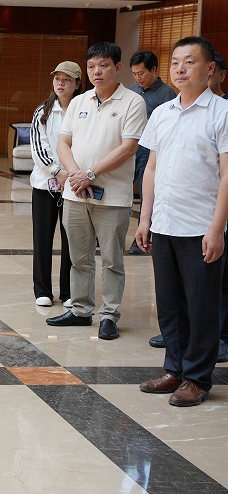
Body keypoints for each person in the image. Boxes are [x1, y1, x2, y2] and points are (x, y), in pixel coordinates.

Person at [135, 36, 228, 407]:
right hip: (164, 223)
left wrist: (217, 228)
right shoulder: (162, 113)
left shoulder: (221, 112)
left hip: (200, 227)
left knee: (201, 306)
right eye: (175, 62)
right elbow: (151, 168)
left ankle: (197, 378)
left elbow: (227, 175)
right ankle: (174, 368)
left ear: (210, 68)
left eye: (190, 61)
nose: (180, 68)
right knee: (170, 304)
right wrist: (144, 218)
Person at [46, 42, 146, 340]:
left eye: (103, 65)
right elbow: (63, 143)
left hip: (112, 197)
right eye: (91, 66)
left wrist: (90, 173)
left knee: (112, 260)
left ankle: (109, 315)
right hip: (76, 194)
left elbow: (129, 148)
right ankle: (80, 310)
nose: (97, 72)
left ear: (118, 67)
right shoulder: (79, 101)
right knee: (79, 257)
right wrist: (76, 175)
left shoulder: (133, 102)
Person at [29, 61, 83, 308]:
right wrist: (56, 171)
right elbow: (38, 147)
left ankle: (68, 291)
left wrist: (71, 174)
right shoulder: (43, 112)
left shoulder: (83, 111)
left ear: (77, 84)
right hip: (44, 185)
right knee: (42, 238)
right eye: (57, 79)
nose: (60, 84)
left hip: (74, 184)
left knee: (71, 239)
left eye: (67, 80)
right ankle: (42, 290)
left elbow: (85, 145)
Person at [127, 51, 176, 254]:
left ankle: (142, 239)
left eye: (141, 73)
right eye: (134, 74)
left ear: (154, 69)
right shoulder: (133, 90)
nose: (138, 78)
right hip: (127, 148)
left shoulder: (167, 95)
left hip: (149, 152)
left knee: (147, 195)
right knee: (119, 189)